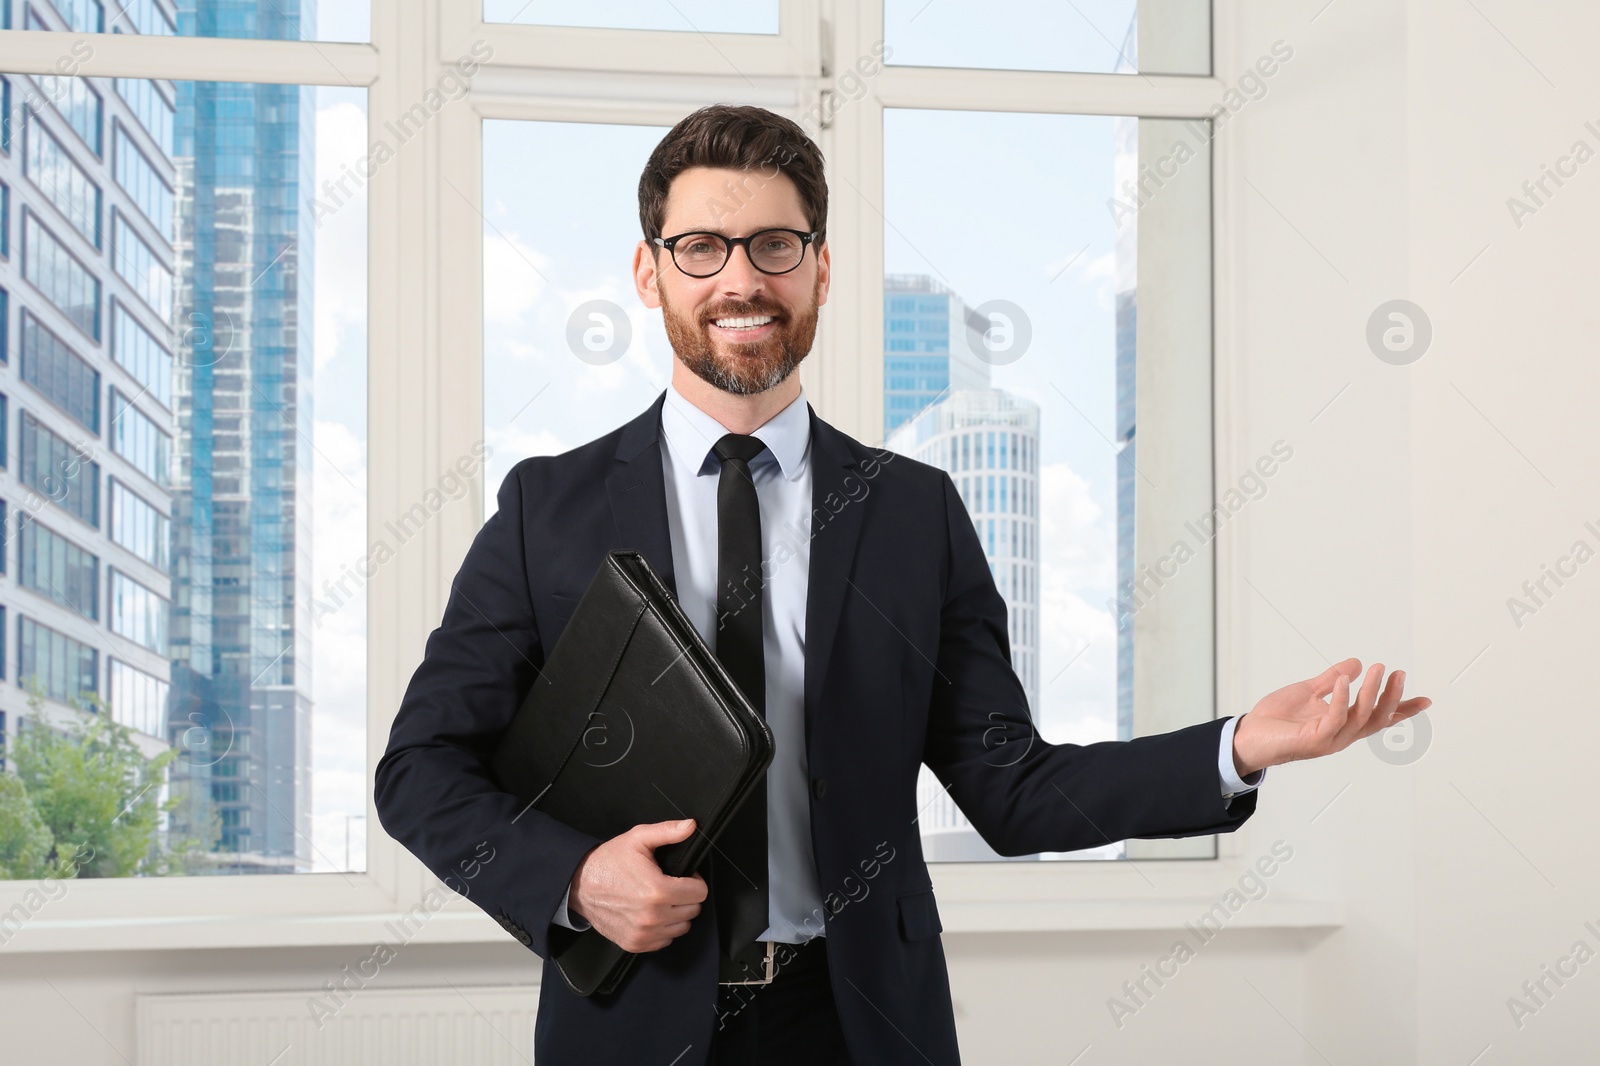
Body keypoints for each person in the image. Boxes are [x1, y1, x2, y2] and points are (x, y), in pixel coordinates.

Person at [373, 104, 1431, 1066]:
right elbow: (421, 768)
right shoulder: (544, 510)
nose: (739, 280)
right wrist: (571, 879)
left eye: (774, 247)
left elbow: (1011, 789)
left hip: (858, 1021)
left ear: (820, 270)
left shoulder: (911, 514)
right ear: (650, 273)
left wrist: (1235, 745)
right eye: (700, 248)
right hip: (632, 1021)